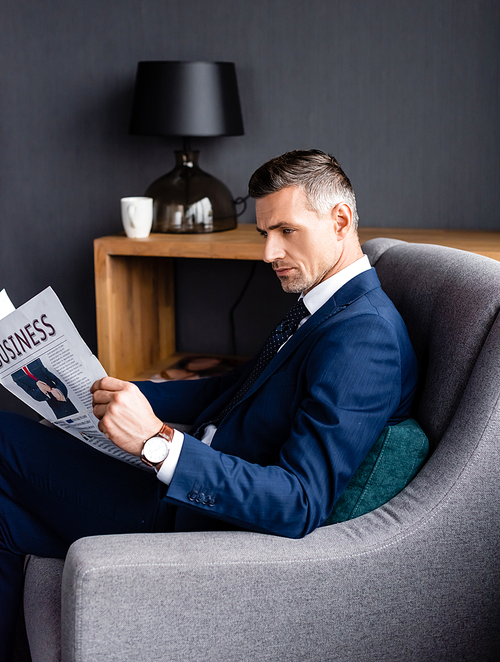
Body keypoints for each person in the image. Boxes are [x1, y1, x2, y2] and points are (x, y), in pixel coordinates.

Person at [0, 149, 417, 659]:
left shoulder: (364, 338)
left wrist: (157, 443)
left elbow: (300, 501)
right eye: (265, 234)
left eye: (286, 231)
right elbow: (232, 389)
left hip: (200, 520)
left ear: (340, 220)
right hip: (184, 484)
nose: (269, 253)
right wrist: (106, 388)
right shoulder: (324, 309)